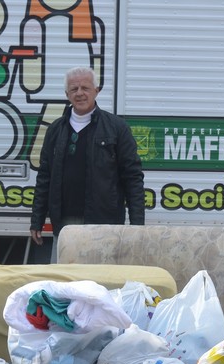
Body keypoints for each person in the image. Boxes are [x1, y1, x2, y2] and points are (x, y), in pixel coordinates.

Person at [29, 66, 144, 262]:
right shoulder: (55, 130)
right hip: (65, 227)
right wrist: (37, 219)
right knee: (64, 284)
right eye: (74, 89)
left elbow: (132, 178)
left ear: (96, 91)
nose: (80, 93)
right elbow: (44, 177)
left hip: (105, 226)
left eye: (85, 88)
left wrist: (137, 226)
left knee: (103, 283)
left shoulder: (117, 128)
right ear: (67, 94)